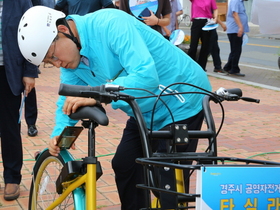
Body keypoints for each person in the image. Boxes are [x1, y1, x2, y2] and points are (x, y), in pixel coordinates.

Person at [18, 6, 212, 209]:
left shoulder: (110, 24)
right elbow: (68, 99)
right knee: (125, 163)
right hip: (144, 109)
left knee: (165, 174)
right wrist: (59, 135)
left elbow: (146, 76)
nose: (56, 64)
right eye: (49, 62)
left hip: (182, 98)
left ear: (64, 31)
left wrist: (98, 94)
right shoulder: (73, 61)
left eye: (52, 56)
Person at [0, 0, 38, 201]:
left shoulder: (20, 1)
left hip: (8, 72)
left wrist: (30, 72)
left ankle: (12, 178)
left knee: (9, 128)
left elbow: (32, 36)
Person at [188, 0, 218, 71]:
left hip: (207, 22)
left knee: (205, 47)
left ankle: (202, 67)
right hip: (196, 21)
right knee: (193, 46)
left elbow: (215, 8)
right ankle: (190, 66)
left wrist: (215, 18)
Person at [223, 0, 249, 77]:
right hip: (235, 30)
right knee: (236, 50)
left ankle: (228, 67)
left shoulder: (240, 2)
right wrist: (240, 27)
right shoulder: (235, 1)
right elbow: (235, 14)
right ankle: (234, 69)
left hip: (236, 29)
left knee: (235, 50)